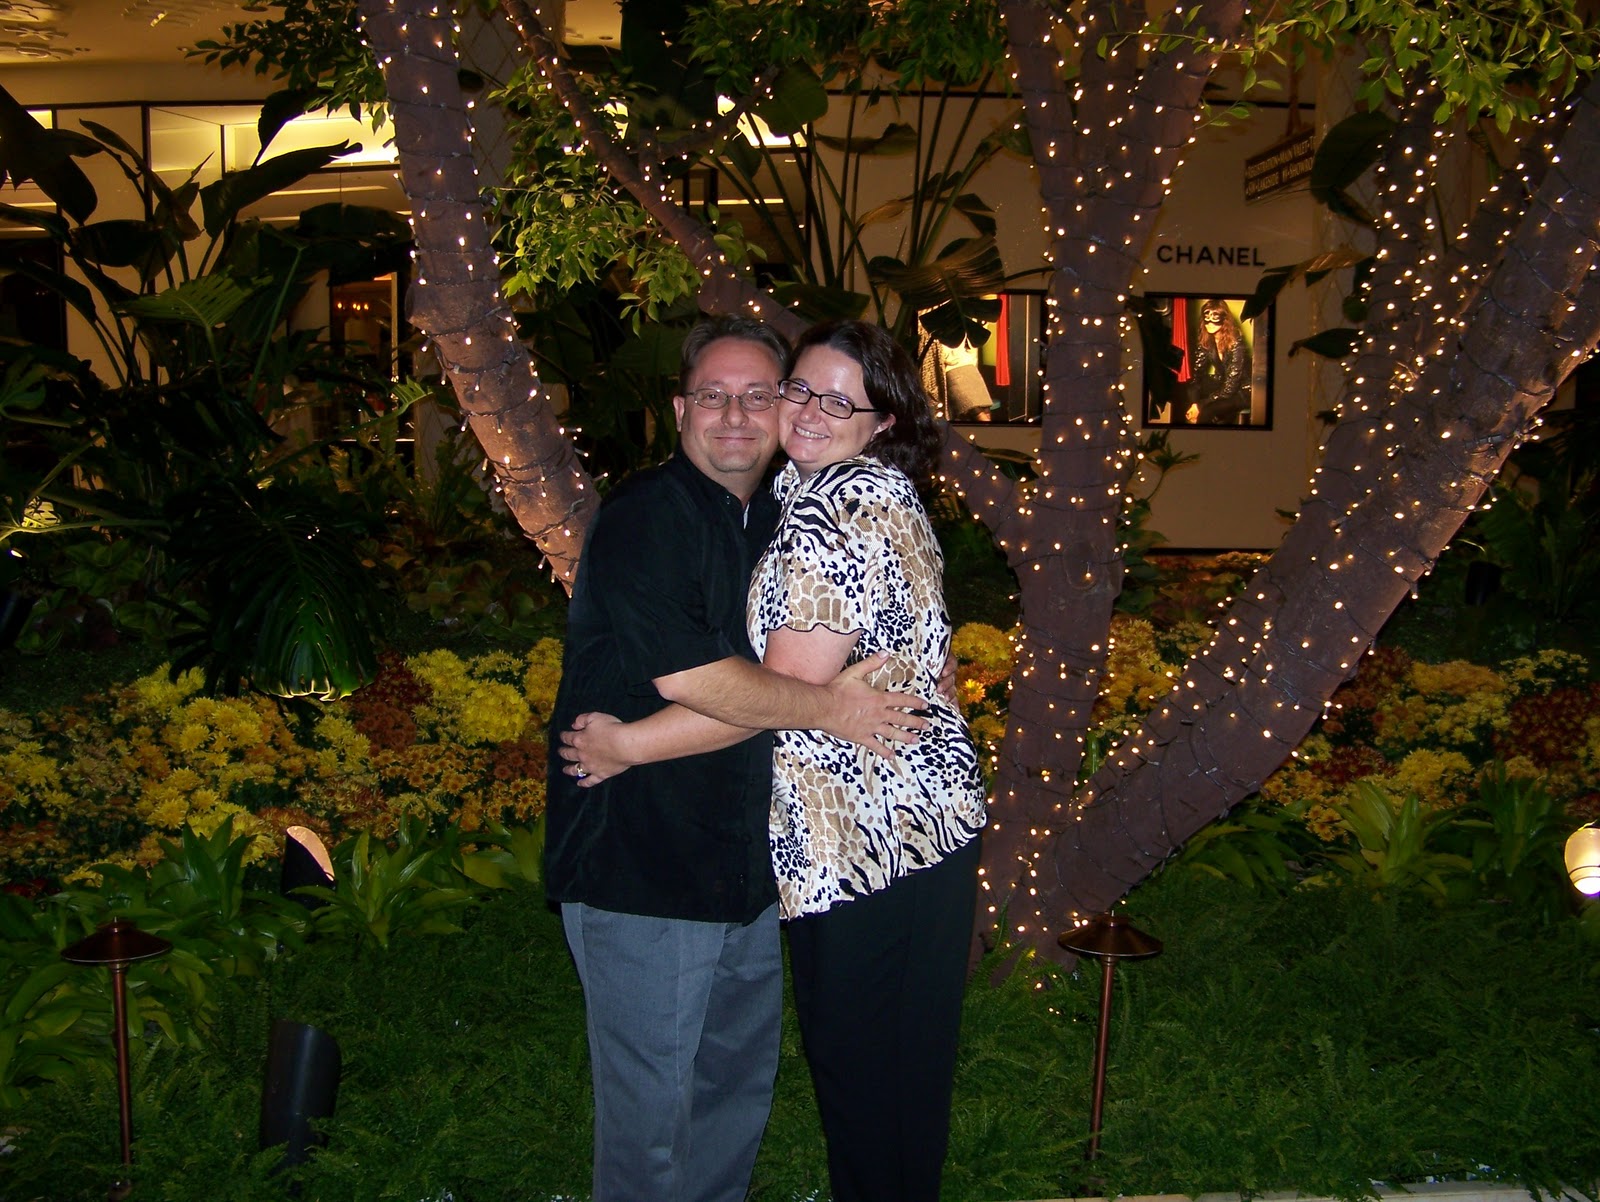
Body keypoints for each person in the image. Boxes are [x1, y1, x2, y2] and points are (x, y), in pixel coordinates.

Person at [562, 318, 987, 1201]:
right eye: (717, 395)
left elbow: (800, 676)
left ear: (881, 423)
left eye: (761, 393)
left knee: (749, 1097)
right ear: (678, 410)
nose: (744, 414)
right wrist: (632, 745)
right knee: (657, 1121)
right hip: (649, 861)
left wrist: (917, 668)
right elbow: (713, 681)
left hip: (804, 859)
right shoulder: (656, 516)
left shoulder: (808, 505)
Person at [1185, 299, 1252, 424]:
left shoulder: (1236, 342)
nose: (1210, 323)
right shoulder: (1207, 339)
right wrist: (1194, 403)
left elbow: (1231, 386)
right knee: (1191, 390)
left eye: (1215, 318)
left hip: (1243, 391)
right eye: (1207, 318)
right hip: (1223, 385)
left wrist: (1201, 405)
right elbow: (1197, 375)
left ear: (1225, 320)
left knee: (1207, 412)